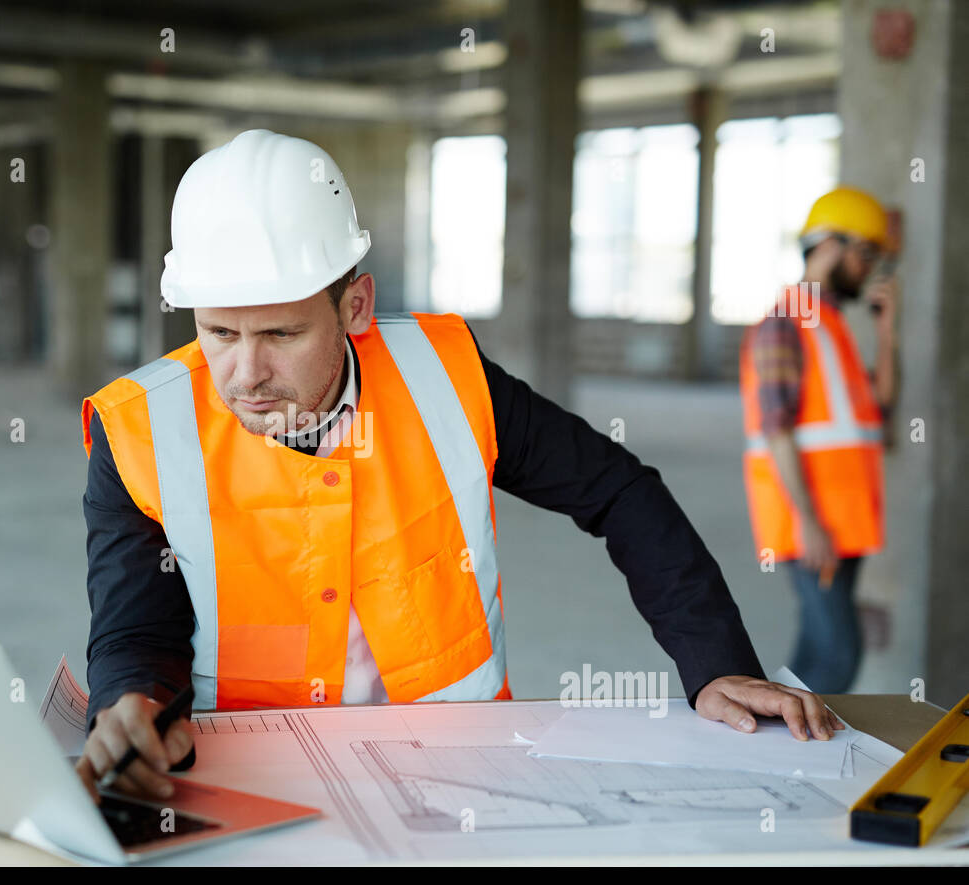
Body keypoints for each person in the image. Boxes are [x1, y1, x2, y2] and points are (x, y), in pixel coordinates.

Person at [76, 129, 843, 802]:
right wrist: (133, 705)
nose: (245, 374)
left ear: (354, 308)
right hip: (253, 781)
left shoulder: (445, 377)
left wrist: (717, 667)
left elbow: (618, 490)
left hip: (461, 780)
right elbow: (138, 625)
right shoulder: (140, 430)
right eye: (218, 333)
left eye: (280, 334)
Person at [739, 186, 897, 693]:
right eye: (864, 253)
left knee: (816, 651)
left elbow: (882, 408)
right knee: (837, 654)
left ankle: (780, 756)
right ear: (830, 246)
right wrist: (809, 520)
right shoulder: (784, 325)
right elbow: (776, 428)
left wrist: (888, 333)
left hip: (844, 520)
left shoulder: (830, 326)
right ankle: (796, 764)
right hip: (810, 523)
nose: (868, 267)